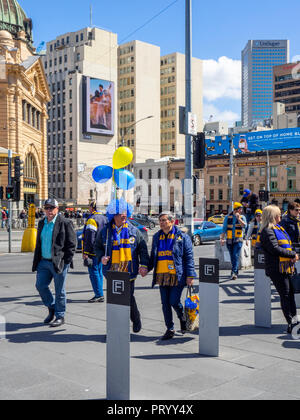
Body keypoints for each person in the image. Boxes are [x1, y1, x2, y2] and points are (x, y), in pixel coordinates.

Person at [95, 198, 149, 334]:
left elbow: (142, 249)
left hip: (129, 271)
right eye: (120, 213)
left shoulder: (134, 231)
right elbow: (97, 247)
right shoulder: (105, 232)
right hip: (112, 271)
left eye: (125, 212)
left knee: (128, 297)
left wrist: (144, 265)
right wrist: (102, 257)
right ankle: (117, 328)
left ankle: (135, 319)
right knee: (115, 299)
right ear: (113, 215)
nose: (123, 215)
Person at [148, 212, 196, 341]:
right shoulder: (157, 236)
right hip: (162, 275)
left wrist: (190, 275)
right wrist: (145, 268)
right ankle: (170, 328)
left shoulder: (182, 237)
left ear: (172, 221)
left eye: (164, 220)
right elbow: (153, 256)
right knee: (165, 304)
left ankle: (182, 317)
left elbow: (189, 257)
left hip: (177, 275)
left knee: (173, 301)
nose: (162, 223)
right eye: (160, 220)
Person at [32, 199, 77, 327]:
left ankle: (60, 315)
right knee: (40, 286)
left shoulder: (65, 222)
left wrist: (66, 261)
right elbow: (39, 243)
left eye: (52, 208)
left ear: (57, 209)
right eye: (47, 208)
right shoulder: (42, 223)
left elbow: (72, 244)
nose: (49, 210)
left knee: (59, 290)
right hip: (43, 262)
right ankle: (52, 307)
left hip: (59, 262)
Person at [260, 205, 299, 334]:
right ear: (272, 216)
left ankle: (294, 321)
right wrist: (292, 255)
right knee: (286, 295)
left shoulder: (279, 228)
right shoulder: (267, 231)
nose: (280, 216)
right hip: (276, 268)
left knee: (290, 294)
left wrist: (291, 255)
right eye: (278, 214)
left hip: (286, 266)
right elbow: (274, 249)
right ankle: (291, 323)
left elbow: (288, 244)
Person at [82, 201, 107, 303]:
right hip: (102, 251)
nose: (89, 208)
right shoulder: (105, 218)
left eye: (89, 207)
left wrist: (86, 252)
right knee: (99, 272)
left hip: (93, 251)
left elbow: (89, 237)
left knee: (94, 273)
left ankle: (99, 294)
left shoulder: (92, 219)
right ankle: (99, 293)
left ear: (92, 208)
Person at [220, 202, 247, 280]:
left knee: (235, 255)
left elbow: (245, 226)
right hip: (229, 240)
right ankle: (235, 270)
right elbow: (224, 229)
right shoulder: (227, 217)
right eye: (240, 209)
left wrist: (239, 219)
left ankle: (234, 272)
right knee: (232, 257)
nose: (241, 210)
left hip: (238, 240)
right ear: (236, 209)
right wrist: (222, 239)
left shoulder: (242, 217)